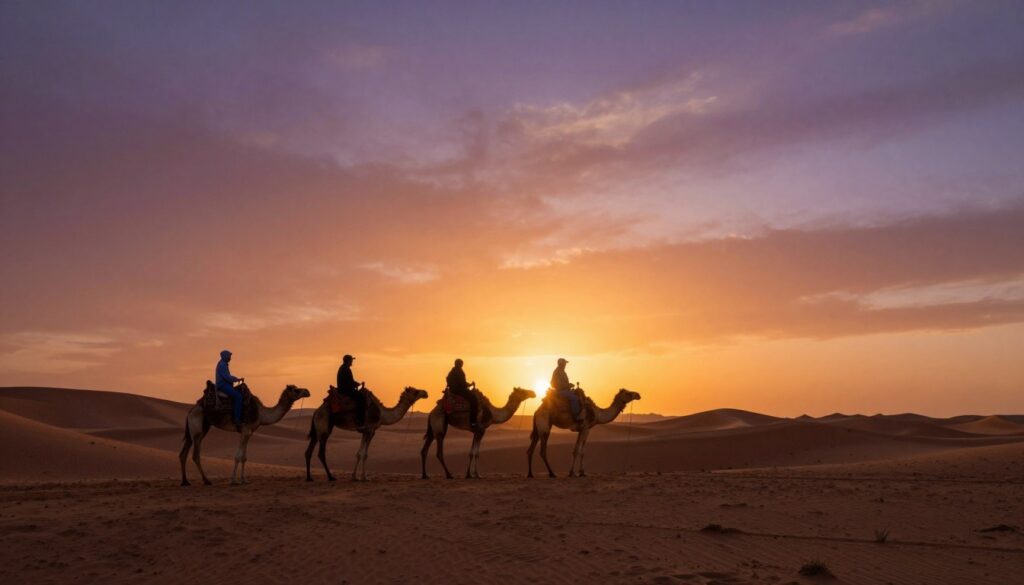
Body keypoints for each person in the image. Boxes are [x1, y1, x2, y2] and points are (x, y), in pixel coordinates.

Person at [446, 358, 479, 429]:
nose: (461, 365)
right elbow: (462, 383)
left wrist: (469, 384)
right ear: (459, 364)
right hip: (459, 390)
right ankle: (473, 422)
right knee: (474, 400)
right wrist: (470, 385)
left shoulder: (452, 371)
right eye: (461, 364)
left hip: (454, 390)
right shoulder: (459, 372)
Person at [215, 350, 244, 428]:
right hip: (223, 385)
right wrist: (237, 380)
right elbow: (227, 377)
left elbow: (229, 377)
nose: (230, 357)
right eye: (229, 356)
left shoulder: (223, 364)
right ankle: (236, 419)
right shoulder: (222, 365)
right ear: (225, 356)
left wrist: (238, 380)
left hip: (226, 384)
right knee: (238, 396)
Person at [337, 354, 367, 428]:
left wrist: (357, 384)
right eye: (351, 360)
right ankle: (360, 420)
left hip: (344, 389)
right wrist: (358, 385)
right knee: (362, 398)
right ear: (348, 361)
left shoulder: (343, 368)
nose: (352, 362)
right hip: (346, 390)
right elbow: (350, 382)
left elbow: (350, 381)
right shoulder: (346, 369)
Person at [551, 357, 584, 424]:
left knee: (578, 394)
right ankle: (576, 416)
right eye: (564, 364)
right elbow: (557, 384)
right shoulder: (558, 372)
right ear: (561, 364)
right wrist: (568, 385)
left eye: (565, 364)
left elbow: (563, 383)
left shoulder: (561, 371)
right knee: (575, 398)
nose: (565, 365)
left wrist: (568, 385)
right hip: (560, 391)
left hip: (564, 390)